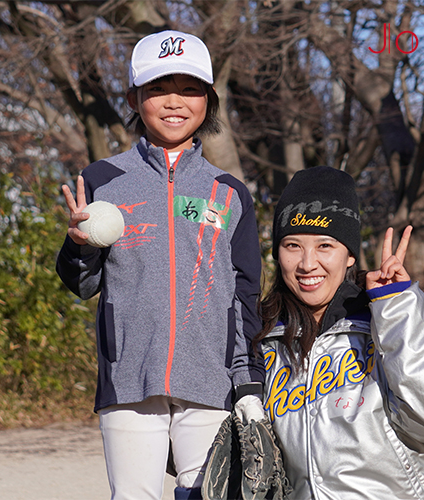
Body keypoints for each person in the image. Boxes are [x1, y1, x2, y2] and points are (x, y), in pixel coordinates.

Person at [56, 30, 264, 500]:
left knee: (205, 496)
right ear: (134, 97)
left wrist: (246, 377)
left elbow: (244, 294)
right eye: (158, 89)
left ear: (209, 101)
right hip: (129, 380)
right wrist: (79, 245)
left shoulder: (229, 192)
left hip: (210, 381)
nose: (175, 102)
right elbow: (82, 284)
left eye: (190, 89)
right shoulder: (103, 180)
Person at [254, 166, 424, 499]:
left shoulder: (393, 315)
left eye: (325, 246)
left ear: (349, 254)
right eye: (292, 245)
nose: (307, 264)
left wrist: (396, 309)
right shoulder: (266, 341)